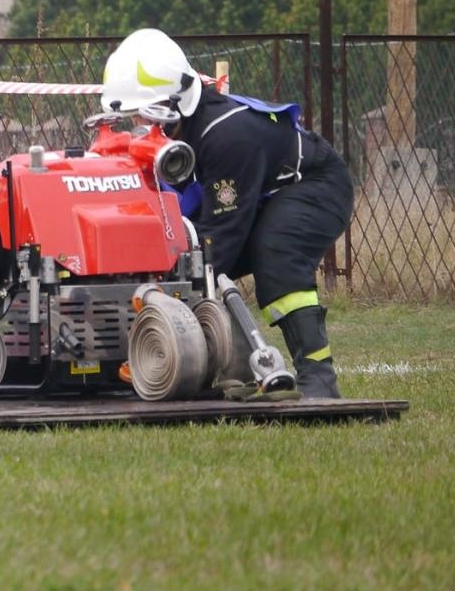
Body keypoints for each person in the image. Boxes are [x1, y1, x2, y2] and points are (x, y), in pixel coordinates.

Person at [100, 27, 354, 398]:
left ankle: (318, 378)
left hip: (315, 186)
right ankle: (228, 369)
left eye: (147, 117)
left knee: (267, 253)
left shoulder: (227, 137)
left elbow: (223, 236)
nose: (142, 129)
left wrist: (169, 288)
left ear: (174, 106)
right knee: (199, 258)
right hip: (262, 196)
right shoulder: (189, 130)